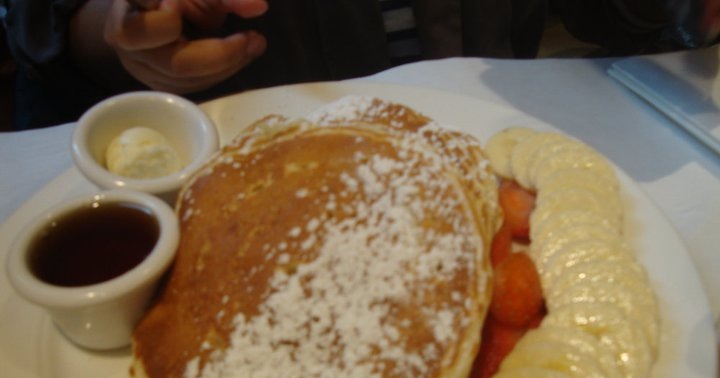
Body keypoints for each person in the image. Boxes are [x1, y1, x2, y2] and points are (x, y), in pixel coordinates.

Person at [2, 0, 717, 130]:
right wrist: (118, 33)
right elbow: (43, 31)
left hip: (505, 134)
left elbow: (603, 14)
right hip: (239, 145)